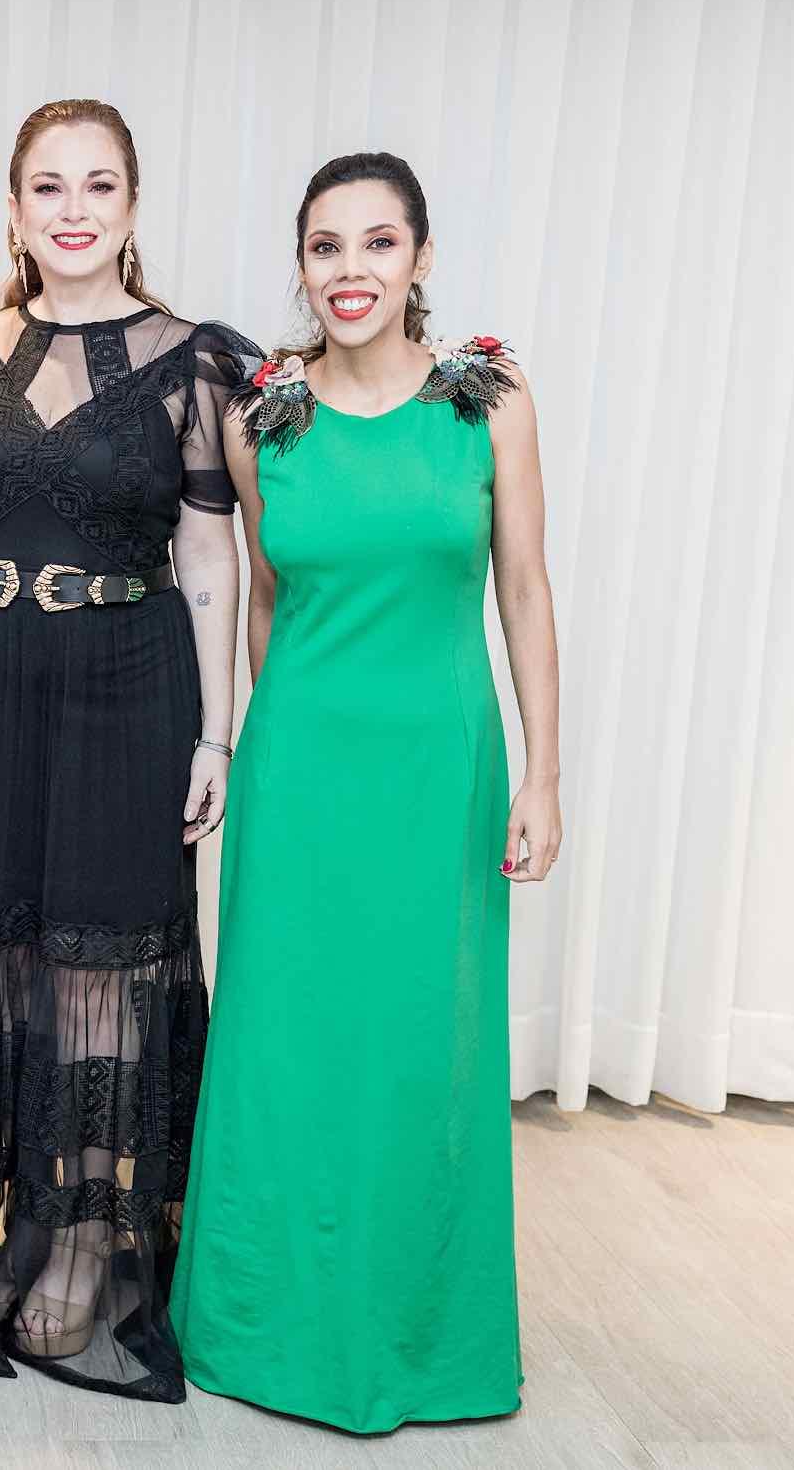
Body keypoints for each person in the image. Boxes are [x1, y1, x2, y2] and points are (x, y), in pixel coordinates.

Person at [171, 151, 562, 1433]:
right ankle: (263, 1327)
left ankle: (421, 1337)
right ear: (300, 264)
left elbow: (523, 591)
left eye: (378, 243)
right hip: (301, 776)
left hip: (439, 774)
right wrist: (265, 743)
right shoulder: (261, 421)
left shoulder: (489, 403)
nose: (350, 271)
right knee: (285, 1048)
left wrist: (544, 773)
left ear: (420, 258)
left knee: (420, 1049)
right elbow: (267, 602)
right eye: (325, 247)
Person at [0, 99, 259, 1400]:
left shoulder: (194, 360)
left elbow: (211, 556)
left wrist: (217, 733)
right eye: (48, 186)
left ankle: (79, 1252)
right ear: (13, 208)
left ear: (130, 206)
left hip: (128, 682)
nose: (72, 209)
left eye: (98, 185)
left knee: (95, 971)